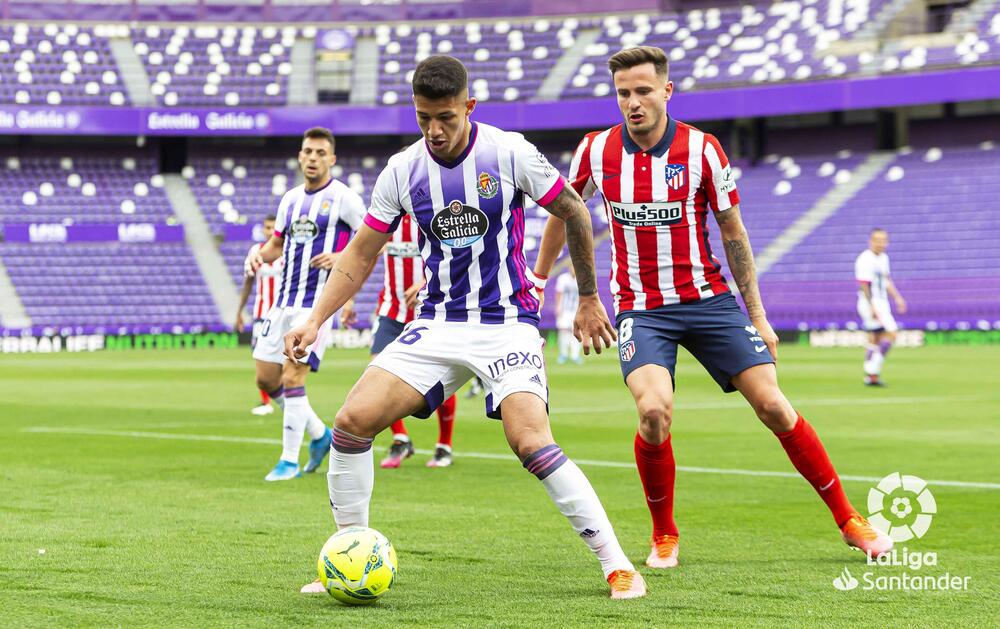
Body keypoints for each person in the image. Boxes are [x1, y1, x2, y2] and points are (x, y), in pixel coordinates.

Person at [287, 55, 645, 599]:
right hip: (435, 324)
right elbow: (361, 252)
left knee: (529, 440)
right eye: (424, 117)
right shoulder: (402, 170)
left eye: (446, 118)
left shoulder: (509, 151)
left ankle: (616, 563)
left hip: (506, 322)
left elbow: (574, 210)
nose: (434, 130)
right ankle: (349, 554)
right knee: (352, 421)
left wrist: (590, 298)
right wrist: (316, 319)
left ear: (469, 107)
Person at [533, 46, 893, 570]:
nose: (632, 103)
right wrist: (540, 279)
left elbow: (734, 234)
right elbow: (563, 212)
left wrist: (759, 316)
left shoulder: (703, 150)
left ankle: (848, 520)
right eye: (623, 94)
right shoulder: (594, 151)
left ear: (666, 91)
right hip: (643, 308)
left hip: (709, 300)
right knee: (653, 411)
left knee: (773, 405)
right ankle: (664, 535)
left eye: (643, 91)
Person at [245, 127, 367, 481]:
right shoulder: (290, 200)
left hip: (316, 307)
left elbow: (372, 241)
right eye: (307, 152)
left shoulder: (344, 198)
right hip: (281, 302)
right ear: (300, 156)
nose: (312, 158)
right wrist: (257, 255)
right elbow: (275, 246)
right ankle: (320, 435)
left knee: (292, 375)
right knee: (267, 380)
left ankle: (288, 460)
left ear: (331, 159)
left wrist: (342, 255)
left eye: (319, 153)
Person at [373, 212, 458, 469]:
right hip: (391, 309)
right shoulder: (386, 216)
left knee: (440, 380)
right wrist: (351, 300)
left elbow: (454, 257)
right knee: (376, 372)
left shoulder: (430, 213)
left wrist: (424, 281)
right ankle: (400, 437)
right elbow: (365, 253)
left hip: (429, 311)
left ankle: (444, 445)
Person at [235, 214, 285, 416]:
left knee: (283, 360)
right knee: (260, 356)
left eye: (274, 227)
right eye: (267, 227)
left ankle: (286, 398)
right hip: (261, 315)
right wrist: (239, 311)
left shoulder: (287, 251)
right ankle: (266, 402)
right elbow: (248, 282)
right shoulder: (255, 251)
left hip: (283, 314)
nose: (270, 230)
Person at [855, 228, 907, 386]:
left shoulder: (884, 258)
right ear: (870, 241)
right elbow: (864, 284)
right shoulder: (865, 259)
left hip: (881, 302)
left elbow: (886, 281)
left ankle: (871, 376)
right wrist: (872, 306)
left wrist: (898, 298)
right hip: (870, 302)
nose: (881, 243)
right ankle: (872, 370)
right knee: (892, 334)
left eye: (883, 240)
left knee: (876, 338)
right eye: (877, 240)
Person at [554, 266, 583, 364]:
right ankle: (563, 354)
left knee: (577, 333)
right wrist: (558, 307)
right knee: (563, 332)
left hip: (576, 310)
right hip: (565, 310)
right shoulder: (563, 278)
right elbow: (559, 294)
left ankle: (575, 355)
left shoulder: (581, 278)